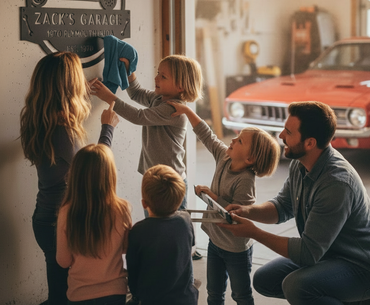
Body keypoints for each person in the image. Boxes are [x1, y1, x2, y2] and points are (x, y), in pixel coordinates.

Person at [219, 101, 370, 305]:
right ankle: (360, 301)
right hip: (329, 254)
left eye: (288, 132)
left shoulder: (336, 184)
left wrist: (254, 232)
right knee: (264, 280)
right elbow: (282, 207)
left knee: (297, 286)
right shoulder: (300, 164)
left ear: (310, 143)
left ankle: (358, 294)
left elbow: (307, 253)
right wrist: (248, 211)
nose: (281, 136)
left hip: (366, 267)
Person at [20, 51, 119, 305]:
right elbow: (93, 172)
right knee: (65, 297)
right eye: (78, 79)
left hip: (45, 218)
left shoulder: (38, 119)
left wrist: (87, 92)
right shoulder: (63, 130)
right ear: (67, 86)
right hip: (58, 224)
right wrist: (108, 128)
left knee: (59, 292)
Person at [168, 101, 280, 305]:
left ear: (250, 159)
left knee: (241, 295)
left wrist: (211, 195)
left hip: (236, 249)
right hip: (215, 241)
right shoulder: (224, 157)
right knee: (214, 293)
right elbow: (206, 134)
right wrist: (187, 110)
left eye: (240, 141)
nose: (233, 139)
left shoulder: (245, 180)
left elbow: (237, 214)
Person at [90, 54, 203, 212]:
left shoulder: (173, 109)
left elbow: (138, 117)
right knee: (153, 224)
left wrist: (109, 97)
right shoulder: (158, 99)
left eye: (163, 76)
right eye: (158, 73)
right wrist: (130, 73)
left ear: (180, 86)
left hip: (169, 184)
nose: (156, 78)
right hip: (154, 179)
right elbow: (136, 93)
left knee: (167, 231)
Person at [56, 144, 132, 305]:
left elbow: (63, 261)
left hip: (79, 295)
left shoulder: (66, 212)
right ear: (110, 175)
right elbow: (127, 251)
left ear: (76, 175)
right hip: (115, 293)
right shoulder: (123, 208)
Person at [126, 164, 199, 305]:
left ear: (144, 203)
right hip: (185, 299)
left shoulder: (138, 232)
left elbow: (133, 274)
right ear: (179, 201)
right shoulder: (185, 220)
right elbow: (187, 254)